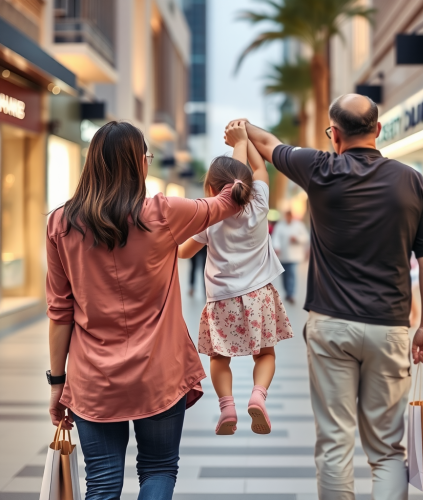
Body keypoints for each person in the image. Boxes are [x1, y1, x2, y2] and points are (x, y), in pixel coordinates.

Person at [226, 93, 423, 500]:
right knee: (387, 451)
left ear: (335, 134)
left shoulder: (320, 168)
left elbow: (268, 146)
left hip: (330, 326)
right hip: (390, 327)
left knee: (334, 445)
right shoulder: (412, 180)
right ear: (377, 130)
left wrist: (241, 129)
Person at [46, 121, 241, 500]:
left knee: (101, 482)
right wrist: (240, 151)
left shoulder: (61, 223)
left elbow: (60, 312)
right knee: (159, 469)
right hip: (159, 373)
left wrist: (57, 383)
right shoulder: (163, 213)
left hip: (94, 380)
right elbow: (228, 202)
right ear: (138, 163)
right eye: (147, 155)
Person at [178, 121, 293, 436]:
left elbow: (184, 253)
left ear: (212, 190)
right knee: (265, 354)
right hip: (259, 296)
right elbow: (259, 167)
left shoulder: (209, 218)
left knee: (219, 357)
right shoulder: (259, 204)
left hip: (222, 299)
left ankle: (227, 406)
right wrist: (244, 138)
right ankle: (258, 396)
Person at [272, 210, 309, 304]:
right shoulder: (280, 225)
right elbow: (275, 237)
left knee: (291, 273)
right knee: (284, 275)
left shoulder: (299, 225)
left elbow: (306, 237)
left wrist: (296, 238)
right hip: (283, 255)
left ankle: (291, 294)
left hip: (294, 255)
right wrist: (276, 247)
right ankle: (287, 292)